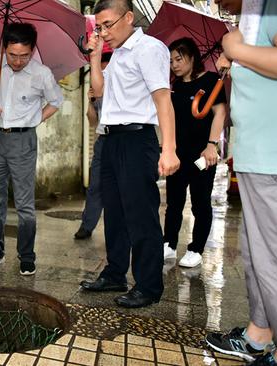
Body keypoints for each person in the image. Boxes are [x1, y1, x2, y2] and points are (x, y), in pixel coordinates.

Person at [80, 0, 180, 308]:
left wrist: (169, 150)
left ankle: (149, 286)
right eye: (99, 27)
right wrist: (96, 57)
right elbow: (98, 92)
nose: (104, 32)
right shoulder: (118, 54)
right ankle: (115, 273)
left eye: (108, 25)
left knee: (141, 214)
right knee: (115, 212)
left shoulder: (149, 49)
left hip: (138, 140)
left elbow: (163, 100)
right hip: (110, 140)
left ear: (128, 17)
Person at [205, 0, 277, 364]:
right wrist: (235, 65)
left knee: (272, 259)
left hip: (271, 154)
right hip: (256, 156)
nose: (217, 2)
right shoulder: (252, 10)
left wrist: (238, 49)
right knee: (255, 256)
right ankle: (259, 335)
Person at [0, 22, 63, 276]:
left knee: (24, 202)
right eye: (13, 55)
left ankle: (26, 255)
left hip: (23, 141)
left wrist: (35, 119)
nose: (18, 61)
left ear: (33, 50)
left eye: (25, 55)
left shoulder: (41, 73)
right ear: (4, 48)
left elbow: (56, 101)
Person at [162, 37, 227, 268]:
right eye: (171, 61)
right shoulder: (174, 87)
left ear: (192, 57)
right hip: (178, 155)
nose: (175, 65)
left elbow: (220, 113)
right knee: (174, 202)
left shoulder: (211, 81)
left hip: (202, 156)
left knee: (200, 202)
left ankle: (196, 248)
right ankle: (168, 244)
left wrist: (211, 145)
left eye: (178, 59)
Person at [74, 51, 112, 240]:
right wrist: (90, 102)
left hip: (120, 140)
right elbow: (93, 122)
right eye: (100, 72)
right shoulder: (96, 92)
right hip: (102, 140)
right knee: (95, 185)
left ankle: (120, 229)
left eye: (106, 72)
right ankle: (87, 225)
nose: (102, 76)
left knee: (119, 188)